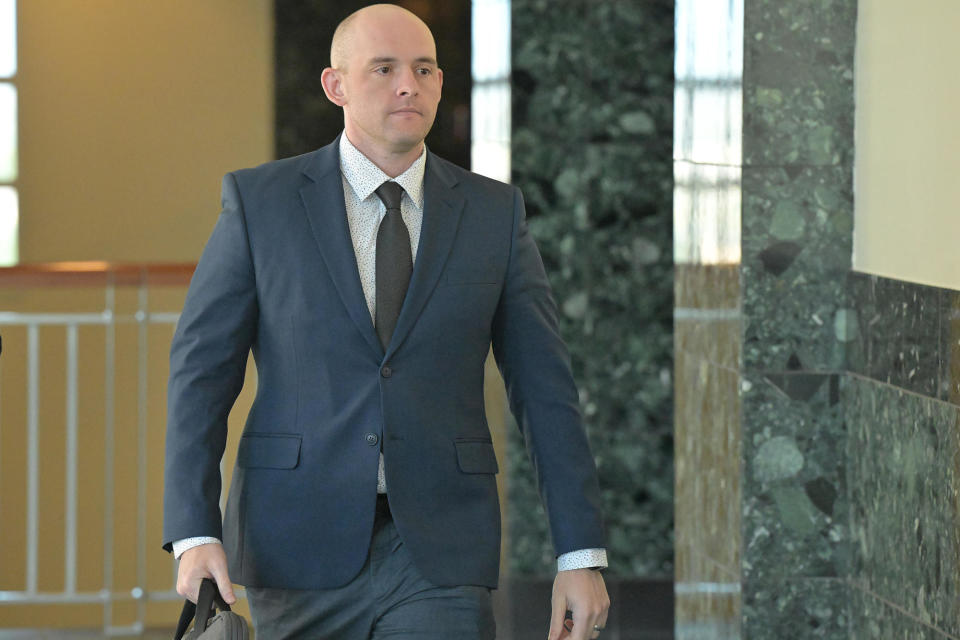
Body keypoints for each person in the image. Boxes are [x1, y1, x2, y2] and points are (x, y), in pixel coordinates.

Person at [163, 4, 609, 639]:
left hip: (439, 549)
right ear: (335, 85)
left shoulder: (493, 214)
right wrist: (193, 530)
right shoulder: (260, 204)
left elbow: (545, 389)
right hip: (295, 540)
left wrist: (580, 553)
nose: (410, 84)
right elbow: (200, 375)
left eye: (425, 68)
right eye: (385, 68)